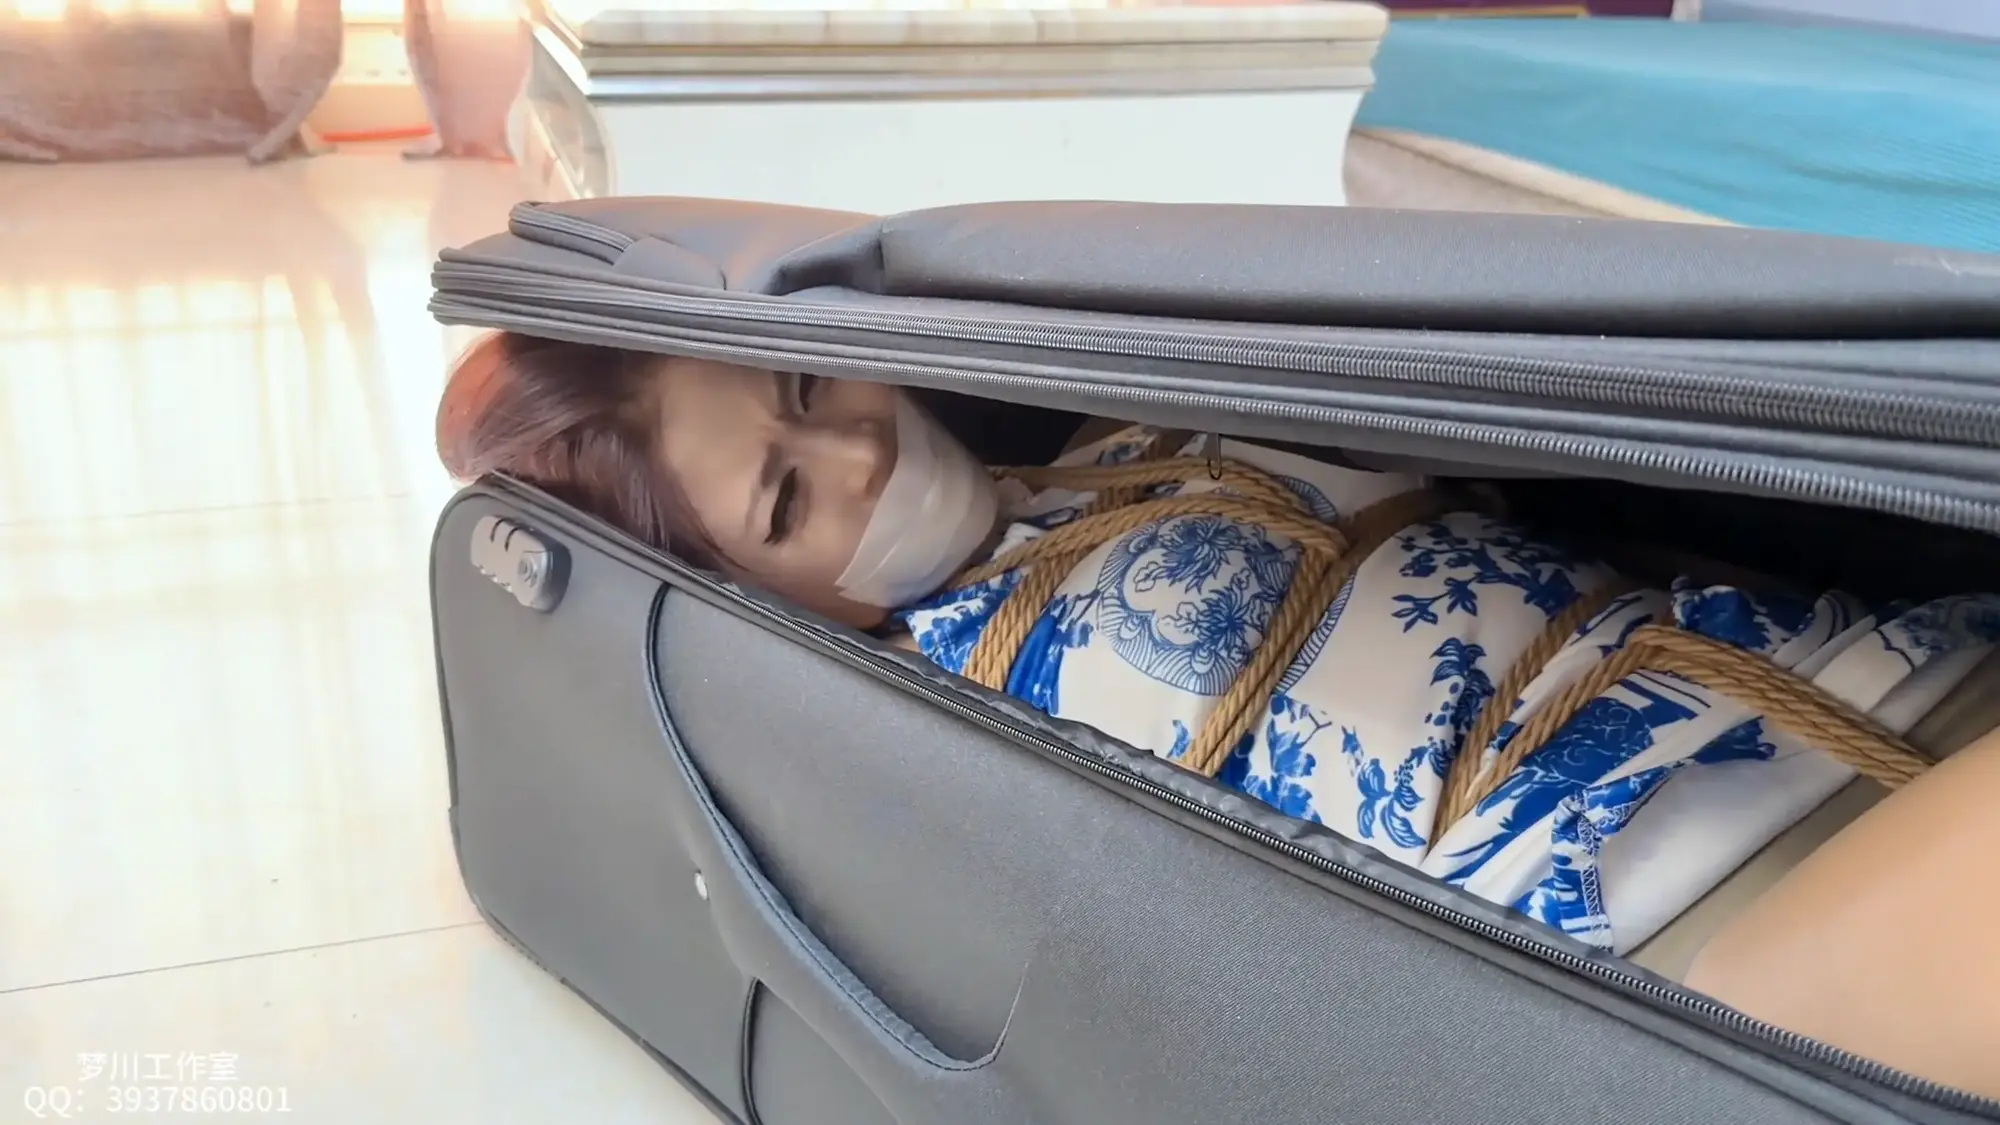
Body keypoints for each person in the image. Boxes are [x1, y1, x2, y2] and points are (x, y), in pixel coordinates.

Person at [437, 331, 2000, 956]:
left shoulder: (1139, 417)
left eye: (805, 390)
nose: (855, 452)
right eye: (785, 501)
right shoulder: (930, 737)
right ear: (755, 597)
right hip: (1690, 927)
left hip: (1857, 675)